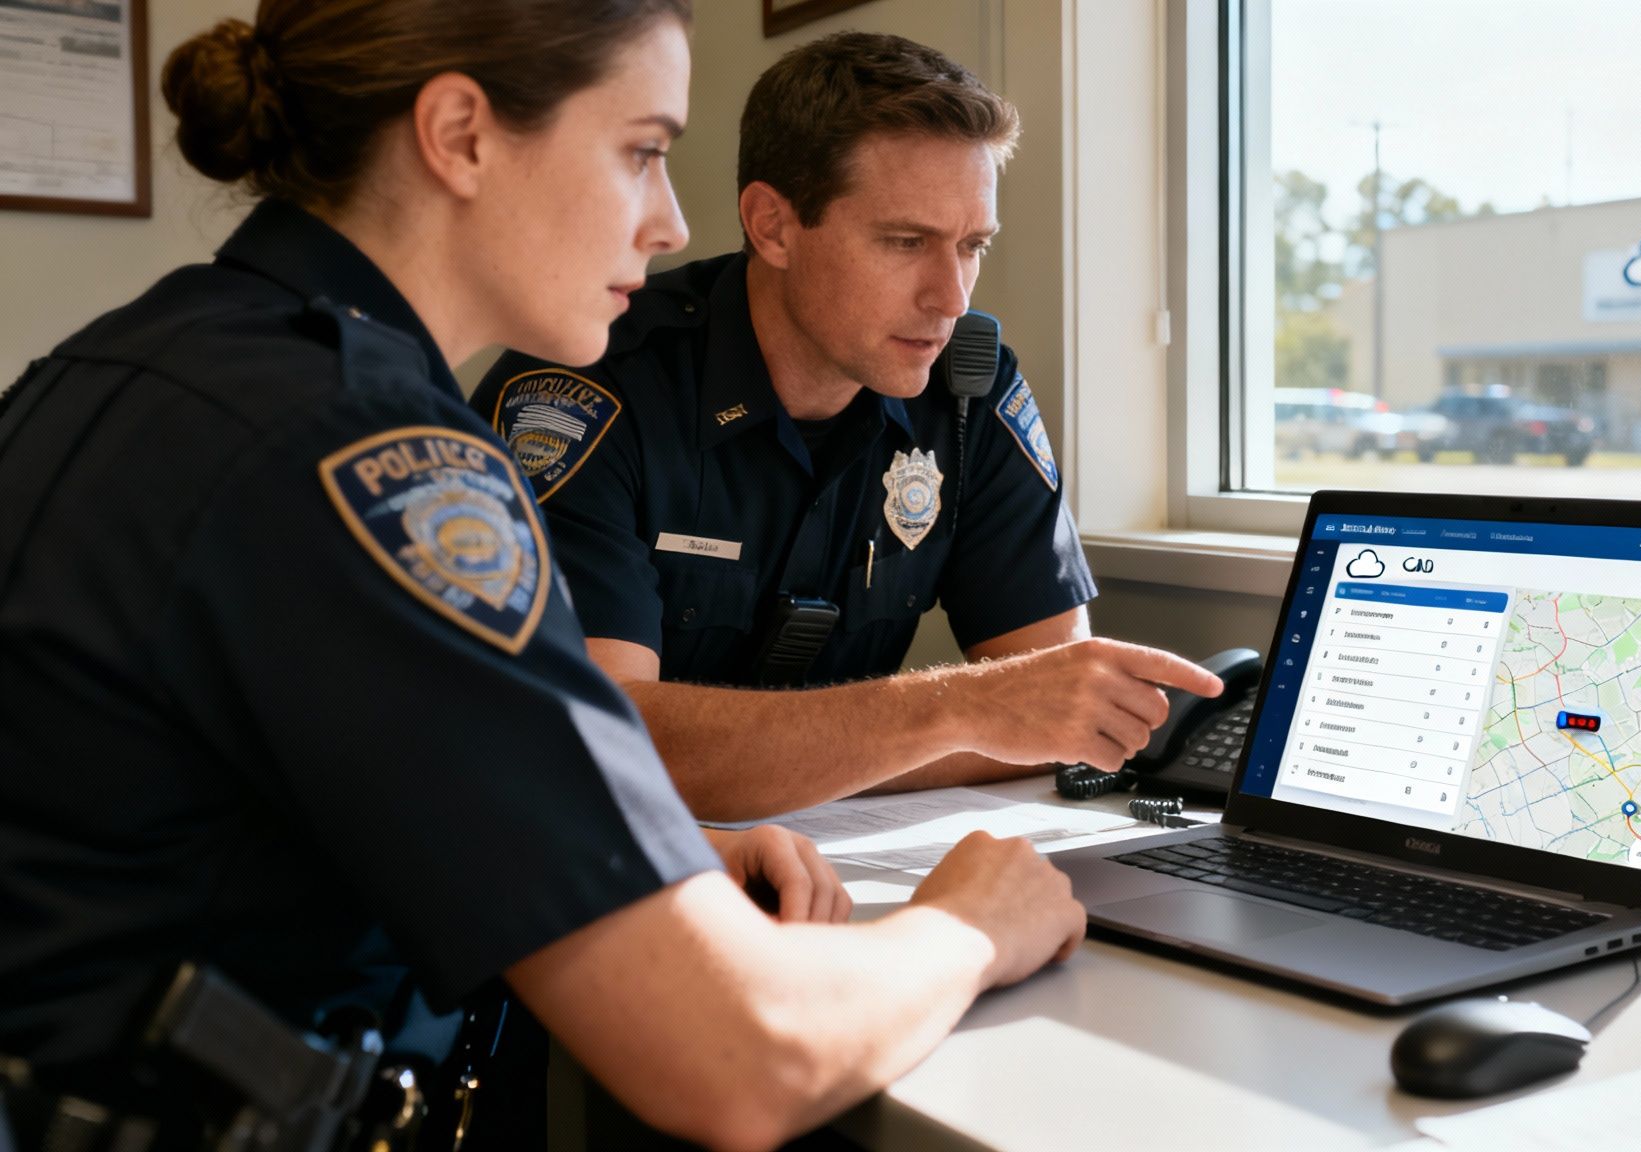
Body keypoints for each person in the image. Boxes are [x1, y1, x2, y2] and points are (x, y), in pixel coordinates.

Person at [0, 3, 1085, 1148]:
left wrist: (654, 853)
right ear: (460, 136)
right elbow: (743, 1056)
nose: (670, 222)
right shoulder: (378, 461)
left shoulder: (129, 362)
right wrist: (973, 925)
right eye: (641, 152)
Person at [471, 32, 1221, 823]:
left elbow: (1057, 713)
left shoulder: (970, 391)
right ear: (773, 226)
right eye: (905, 242)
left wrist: (799, 751)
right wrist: (955, 709)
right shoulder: (585, 388)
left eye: (972, 246)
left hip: (837, 856)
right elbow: (601, 744)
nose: (952, 298)